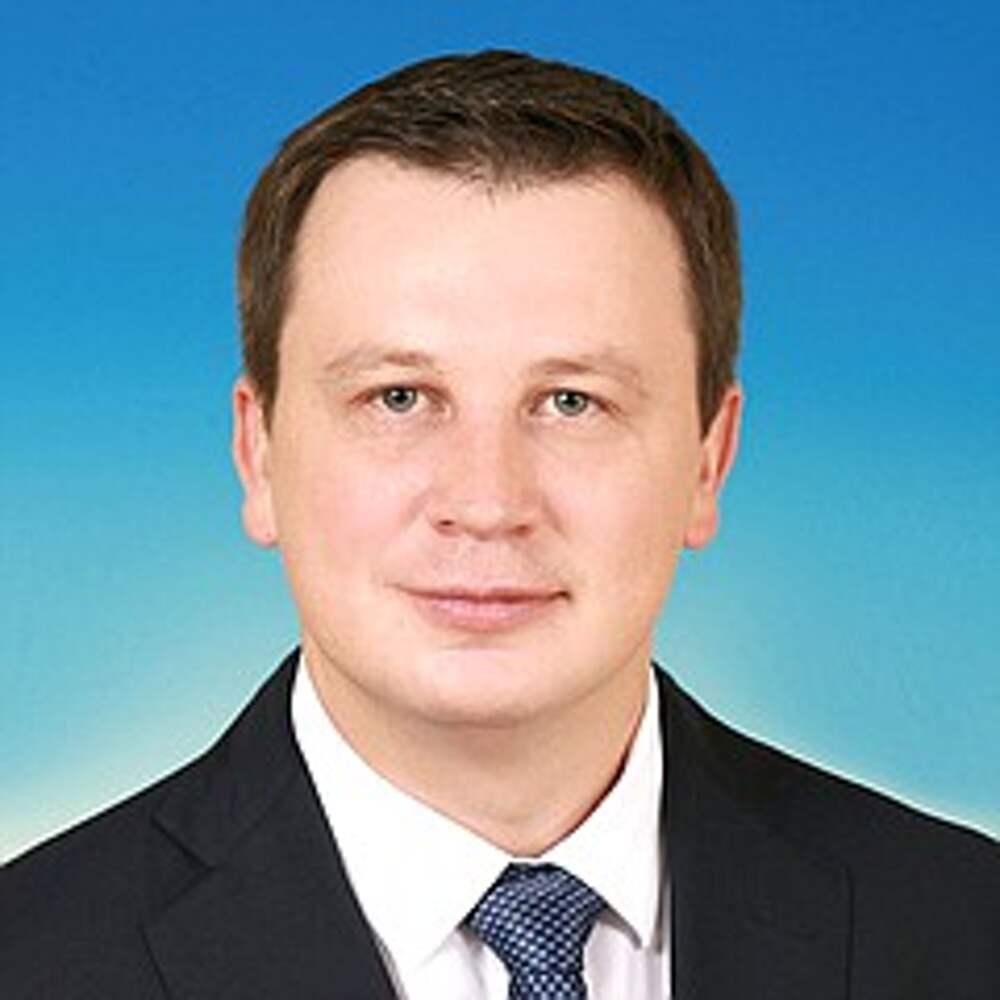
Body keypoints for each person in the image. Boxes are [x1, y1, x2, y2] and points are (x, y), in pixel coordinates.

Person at [1, 49, 997, 1000]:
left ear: (708, 458)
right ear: (258, 452)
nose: (485, 503)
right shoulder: (31, 957)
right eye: (398, 397)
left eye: (571, 401)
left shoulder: (966, 929)